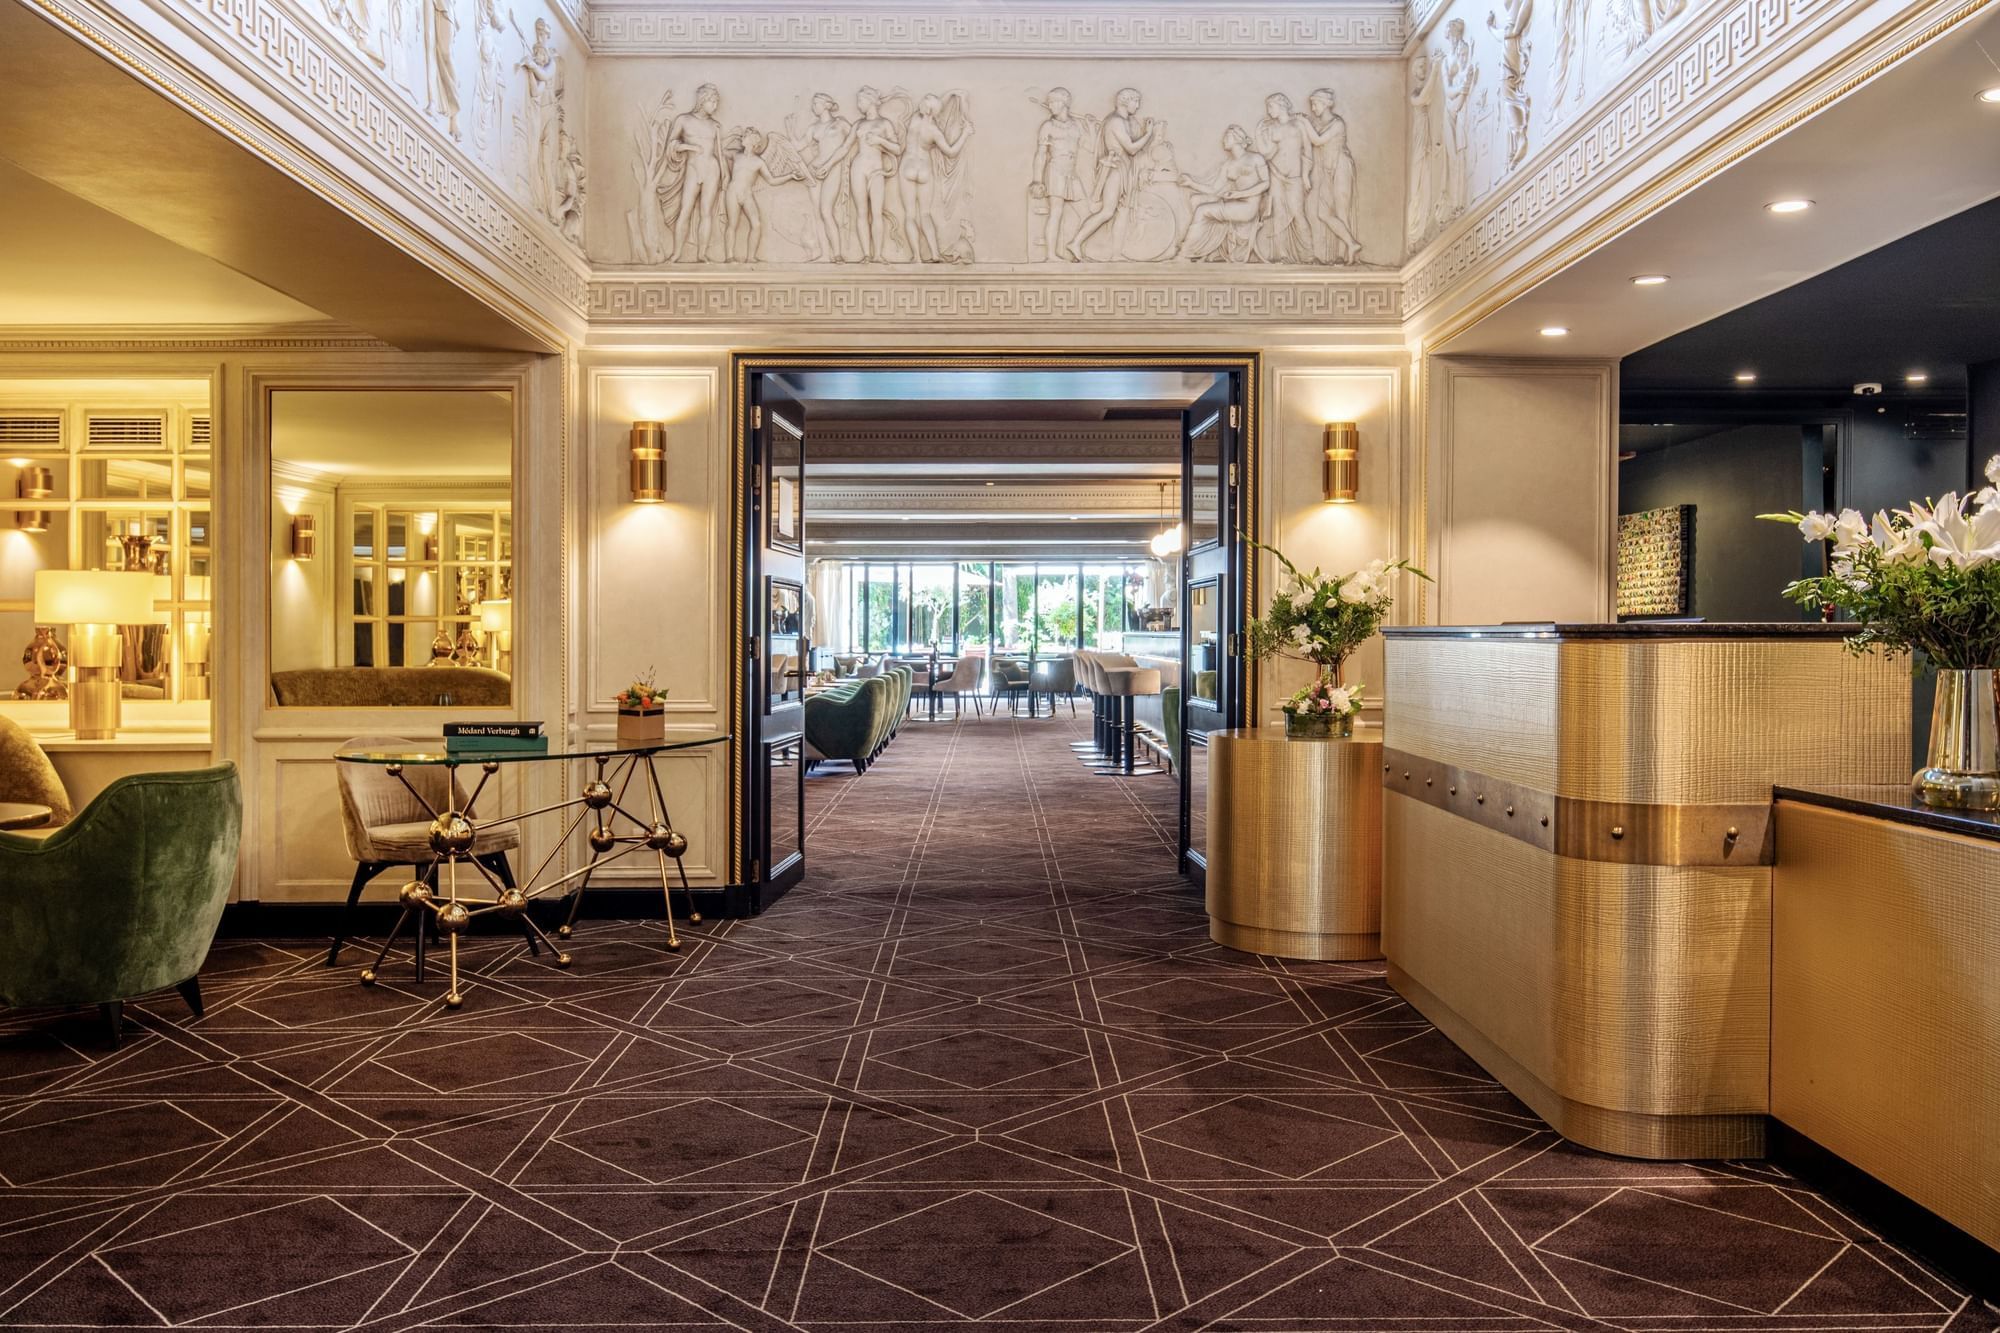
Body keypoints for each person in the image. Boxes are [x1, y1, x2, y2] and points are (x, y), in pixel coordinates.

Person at [1072, 88, 1155, 260]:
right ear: (1125, 101)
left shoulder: (1123, 121)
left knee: (1122, 212)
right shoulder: (1115, 122)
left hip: (1124, 170)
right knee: (1107, 212)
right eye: (1136, 101)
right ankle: (1075, 243)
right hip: (1115, 170)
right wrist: (1148, 134)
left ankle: (1116, 254)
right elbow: (1131, 149)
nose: (1138, 106)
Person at [897, 94, 973, 263]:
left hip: (907, 166)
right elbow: (951, 152)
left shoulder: (915, 120)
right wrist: (965, 134)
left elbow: (933, 106)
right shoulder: (934, 132)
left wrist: (949, 94)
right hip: (923, 169)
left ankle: (917, 257)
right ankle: (935, 254)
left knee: (910, 215)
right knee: (925, 214)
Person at [1176, 126, 1271, 262]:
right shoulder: (1228, 165)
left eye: (1227, 137)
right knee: (1198, 202)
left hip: (1248, 208)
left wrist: (1239, 194)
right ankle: (1195, 251)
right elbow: (1213, 189)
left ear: (1237, 139)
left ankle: (1184, 254)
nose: (1223, 140)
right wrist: (1191, 183)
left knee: (1202, 210)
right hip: (1236, 205)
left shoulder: (1256, 158)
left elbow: (1266, 183)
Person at [667, 84, 725, 262]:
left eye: (717, 102)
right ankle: (676, 253)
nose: (715, 106)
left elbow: (720, 153)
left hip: (711, 169)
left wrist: (726, 174)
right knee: (685, 210)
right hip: (693, 167)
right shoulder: (683, 120)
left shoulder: (715, 125)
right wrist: (689, 146)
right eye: (713, 101)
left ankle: (701, 253)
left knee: (706, 212)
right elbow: (671, 144)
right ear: (703, 101)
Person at [1028, 88, 1087, 262]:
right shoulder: (1047, 126)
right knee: (1056, 212)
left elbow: (1090, 147)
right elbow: (1040, 154)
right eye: (1050, 102)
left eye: (1054, 102)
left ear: (1064, 103)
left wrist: (1091, 127)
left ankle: (1076, 245)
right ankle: (1051, 255)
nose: (1051, 105)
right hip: (1055, 170)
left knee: (1087, 211)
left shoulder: (1077, 125)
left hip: (1072, 172)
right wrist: (1037, 180)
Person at [848, 87, 902, 262]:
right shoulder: (858, 124)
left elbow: (897, 148)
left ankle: (877, 254)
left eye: (860, 101)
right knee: (862, 212)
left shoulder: (884, 124)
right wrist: (826, 164)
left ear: (870, 101)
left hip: (876, 169)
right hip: (858, 167)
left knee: (876, 213)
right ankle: (866, 254)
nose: (858, 105)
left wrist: (880, 140)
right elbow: (844, 148)